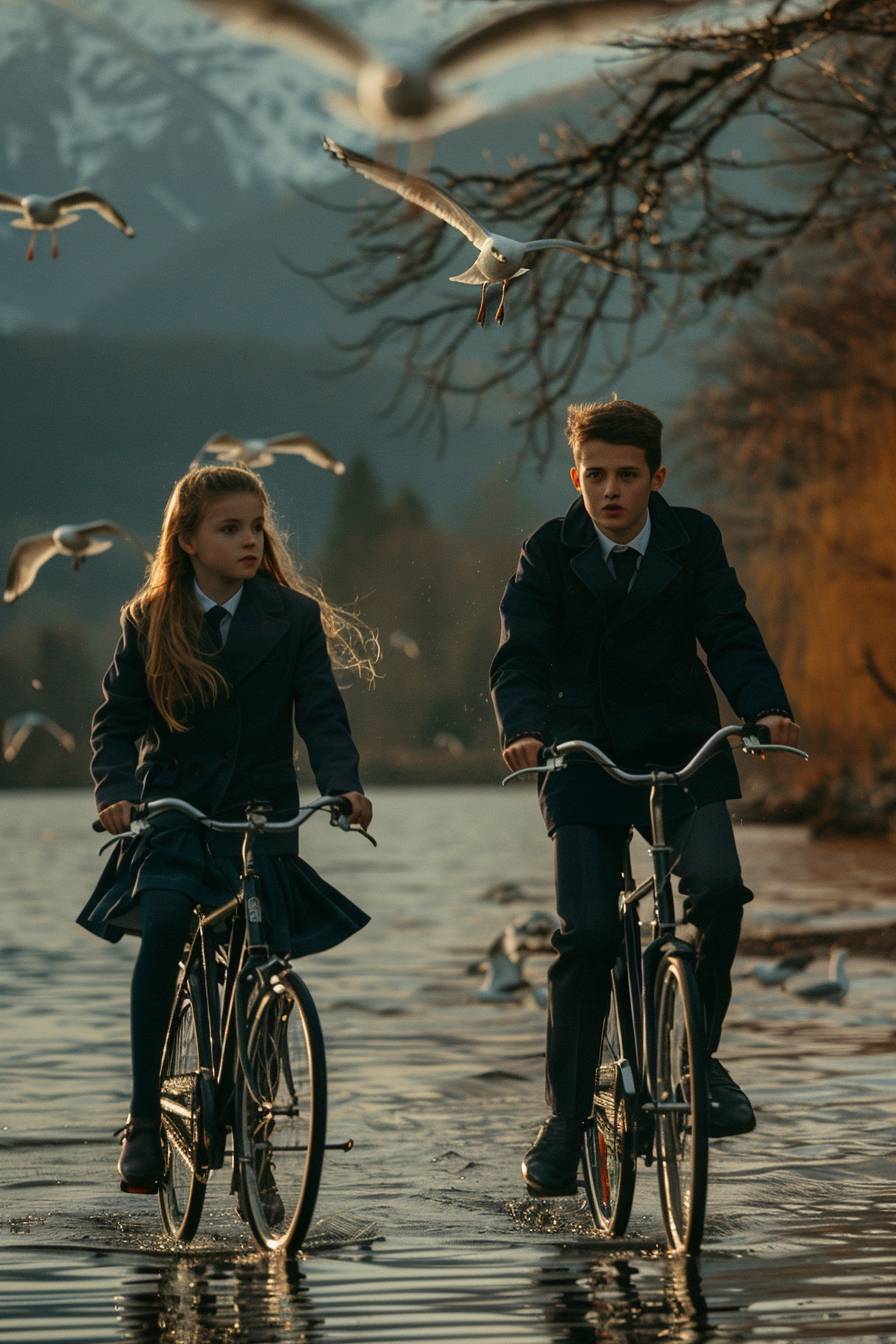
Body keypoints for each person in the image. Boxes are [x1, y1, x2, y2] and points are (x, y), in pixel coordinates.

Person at [490, 398, 800, 1197]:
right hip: (580, 753)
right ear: (576, 477)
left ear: (657, 477)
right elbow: (519, 655)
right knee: (588, 936)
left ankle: (700, 1059)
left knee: (721, 890)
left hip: (681, 747)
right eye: (596, 476)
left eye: (628, 476)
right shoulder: (549, 551)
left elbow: (727, 628)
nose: (611, 491)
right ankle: (564, 1123)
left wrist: (762, 705)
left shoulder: (692, 537)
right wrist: (523, 728)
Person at [78, 463, 377, 1193]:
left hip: (262, 815)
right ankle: (144, 1119)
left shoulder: (292, 617)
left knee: (262, 962)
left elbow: (321, 714)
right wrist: (116, 790)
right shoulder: (150, 620)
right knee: (170, 921)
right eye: (230, 528)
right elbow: (117, 724)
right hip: (177, 813)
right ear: (187, 539)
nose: (250, 540)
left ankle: (257, 1136)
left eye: (256, 526)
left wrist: (343, 784)